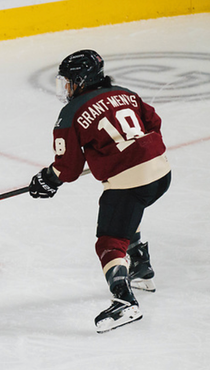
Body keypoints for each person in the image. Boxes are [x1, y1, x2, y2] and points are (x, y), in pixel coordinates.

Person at [28, 49, 171, 333]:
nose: (66, 87)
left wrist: (47, 179)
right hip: (162, 173)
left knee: (109, 241)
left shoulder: (71, 112)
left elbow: (67, 168)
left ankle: (124, 300)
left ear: (81, 80)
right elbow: (153, 123)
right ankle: (141, 267)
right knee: (129, 208)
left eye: (68, 81)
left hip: (131, 180)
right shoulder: (125, 92)